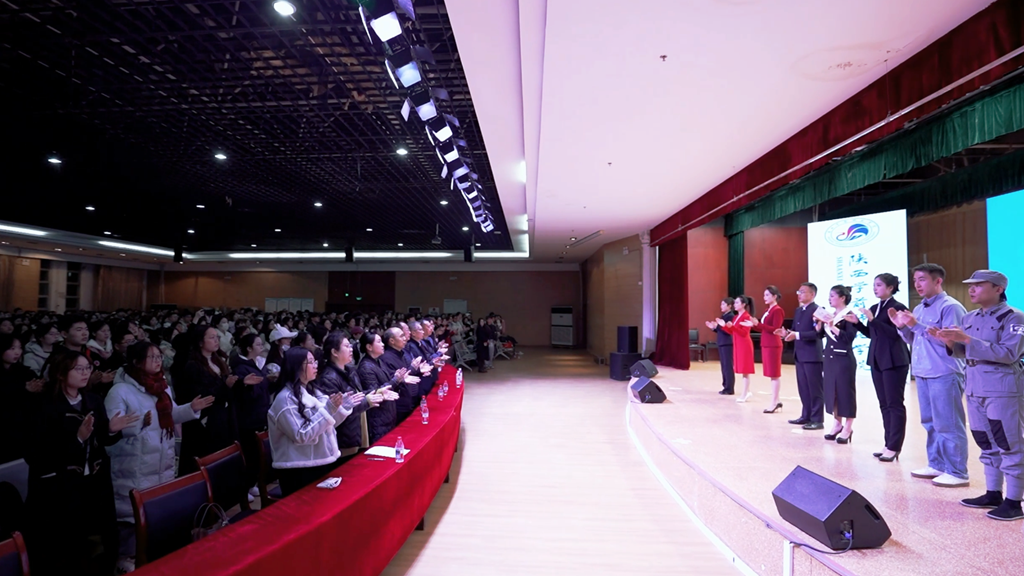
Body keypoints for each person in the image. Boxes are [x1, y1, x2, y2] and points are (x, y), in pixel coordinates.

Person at [105, 342, 213, 573]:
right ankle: (126, 559)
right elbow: (114, 428)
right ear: (136, 361)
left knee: (156, 508)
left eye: (159, 357)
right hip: (133, 460)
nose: (157, 361)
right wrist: (137, 426)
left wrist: (191, 408)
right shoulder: (120, 391)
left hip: (161, 457)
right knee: (131, 514)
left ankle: (153, 555)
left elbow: (171, 415)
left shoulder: (162, 386)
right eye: (151, 357)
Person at [27, 350, 138, 575]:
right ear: (61, 373)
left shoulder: (93, 400)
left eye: (88, 368)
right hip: (60, 485)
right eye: (79, 369)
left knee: (100, 537)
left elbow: (102, 440)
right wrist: (77, 439)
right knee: (67, 544)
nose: (85, 373)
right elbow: (36, 453)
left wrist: (111, 429)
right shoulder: (44, 404)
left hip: (94, 481)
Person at [932, 270, 1024, 521]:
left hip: (1002, 389)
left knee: (1009, 443)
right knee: (985, 441)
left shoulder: (1014, 317)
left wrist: (966, 339)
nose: (972, 290)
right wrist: (949, 342)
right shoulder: (970, 317)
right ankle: (993, 493)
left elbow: (1009, 353)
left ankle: (1014, 501)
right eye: (970, 285)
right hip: (975, 387)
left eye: (979, 285)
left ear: (998, 289)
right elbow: (964, 351)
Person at [892, 263, 970, 488]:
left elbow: (952, 342)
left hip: (944, 371)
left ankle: (957, 471)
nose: (917, 284)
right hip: (923, 371)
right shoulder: (919, 308)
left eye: (922, 279)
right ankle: (937, 464)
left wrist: (915, 325)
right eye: (915, 280)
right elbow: (914, 339)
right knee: (930, 422)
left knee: (948, 423)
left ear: (938, 281)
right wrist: (902, 327)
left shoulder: (950, 307)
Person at [267, 347, 360, 496]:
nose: (316, 365)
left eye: (315, 361)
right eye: (310, 362)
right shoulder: (285, 399)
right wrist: (329, 410)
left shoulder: (313, 391)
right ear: (297, 366)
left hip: (319, 461)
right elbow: (301, 435)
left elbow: (327, 424)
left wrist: (342, 407)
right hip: (297, 469)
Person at [851, 273, 910, 462]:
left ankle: (894, 446)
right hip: (877, 359)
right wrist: (858, 324)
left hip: (894, 360)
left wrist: (873, 320)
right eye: (874, 285)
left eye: (879, 285)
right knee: (884, 403)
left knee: (894, 403)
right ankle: (888, 443)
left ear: (890, 288)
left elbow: (896, 334)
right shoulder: (875, 308)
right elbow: (873, 333)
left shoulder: (898, 307)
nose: (875, 288)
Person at [176, 325, 241, 475]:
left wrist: (240, 383)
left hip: (224, 416)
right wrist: (225, 386)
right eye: (211, 338)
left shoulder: (218, 361)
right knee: (211, 462)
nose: (216, 340)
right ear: (200, 342)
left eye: (217, 337)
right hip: (207, 421)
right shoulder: (193, 365)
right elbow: (200, 394)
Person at [319, 332, 386, 464]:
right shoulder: (328, 378)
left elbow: (358, 395)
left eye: (350, 346)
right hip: (344, 437)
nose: (351, 349)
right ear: (334, 352)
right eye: (346, 346)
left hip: (358, 430)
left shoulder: (350, 370)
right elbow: (338, 411)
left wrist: (378, 392)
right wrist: (367, 402)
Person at [231, 334, 276, 497]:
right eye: (257, 344)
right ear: (249, 348)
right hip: (248, 417)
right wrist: (257, 383)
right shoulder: (241, 368)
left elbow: (263, 390)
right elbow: (245, 395)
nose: (261, 347)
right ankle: (246, 487)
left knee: (258, 454)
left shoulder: (258, 364)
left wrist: (270, 381)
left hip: (260, 414)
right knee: (250, 454)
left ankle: (254, 483)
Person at [778, 283, 825, 430]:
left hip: (812, 355)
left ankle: (817, 419)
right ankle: (806, 415)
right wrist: (786, 333)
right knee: (803, 388)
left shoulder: (818, 310)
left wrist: (796, 335)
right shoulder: (799, 310)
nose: (799, 294)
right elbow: (795, 330)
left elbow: (818, 334)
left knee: (815, 389)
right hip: (800, 354)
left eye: (803, 292)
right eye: (798, 291)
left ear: (812, 294)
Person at [817, 286, 860, 444]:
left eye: (833, 296)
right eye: (829, 296)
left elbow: (848, 338)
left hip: (843, 359)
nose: (830, 299)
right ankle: (837, 423)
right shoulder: (831, 315)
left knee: (845, 393)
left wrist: (832, 327)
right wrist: (819, 323)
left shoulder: (849, 316)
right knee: (832, 391)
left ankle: (848, 427)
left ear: (842, 298)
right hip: (829, 357)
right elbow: (820, 335)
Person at [1, 333, 44, 464]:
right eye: (12, 348)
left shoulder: (24, 371)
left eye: (19, 348)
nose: (17, 352)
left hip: (25, 424)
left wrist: (39, 387)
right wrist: (23, 389)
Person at [356, 332, 405, 444]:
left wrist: (397, 379)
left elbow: (386, 384)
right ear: (369, 347)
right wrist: (395, 380)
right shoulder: (366, 367)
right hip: (377, 419)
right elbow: (374, 393)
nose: (383, 344)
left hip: (388, 414)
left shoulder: (379, 361)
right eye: (379, 342)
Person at [751, 286, 785, 413]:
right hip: (766, 343)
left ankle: (774, 402)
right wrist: (754, 325)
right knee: (771, 374)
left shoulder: (777, 310)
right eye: (764, 295)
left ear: (774, 296)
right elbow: (763, 328)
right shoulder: (768, 310)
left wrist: (758, 324)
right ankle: (777, 400)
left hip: (773, 344)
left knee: (774, 374)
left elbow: (775, 328)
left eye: (767, 295)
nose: (764, 297)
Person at [717, 295, 755, 403]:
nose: (735, 305)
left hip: (744, 344)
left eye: (737, 303)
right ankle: (746, 391)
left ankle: (745, 393)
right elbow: (732, 331)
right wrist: (724, 326)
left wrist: (732, 327)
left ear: (743, 304)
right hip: (738, 343)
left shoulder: (746, 316)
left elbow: (744, 332)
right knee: (742, 370)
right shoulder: (736, 317)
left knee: (745, 370)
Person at [380, 327, 421, 421]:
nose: (405, 338)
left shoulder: (402, 353)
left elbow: (407, 374)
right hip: (398, 404)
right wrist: (411, 369)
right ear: (392, 341)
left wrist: (416, 369)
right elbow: (390, 382)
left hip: (408, 398)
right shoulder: (386, 358)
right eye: (401, 336)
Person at [705, 298, 735, 395]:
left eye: (723, 304)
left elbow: (727, 330)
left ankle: (729, 388)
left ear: (729, 306)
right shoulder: (724, 316)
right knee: (724, 366)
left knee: (727, 366)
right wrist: (714, 328)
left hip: (727, 343)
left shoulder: (730, 316)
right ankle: (725, 386)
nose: (721, 306)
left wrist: (717, 326)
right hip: (722, 342)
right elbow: (721, 330)